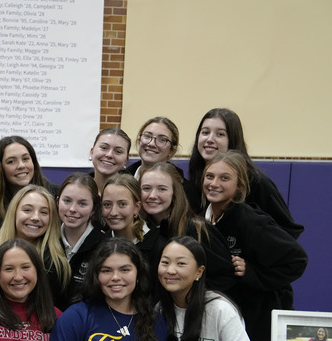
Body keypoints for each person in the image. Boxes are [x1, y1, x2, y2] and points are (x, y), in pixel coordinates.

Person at [201, 151, 308, 341]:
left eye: (224, 178)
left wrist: (253, 273)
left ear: (239, 186)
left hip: (258, 331)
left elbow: (296, 259)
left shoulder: (250, 221)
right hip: (224, 326)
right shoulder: (202, 219)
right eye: (209, 176)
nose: (214, 183)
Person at [43, 238, 181, 341]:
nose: (115, 277)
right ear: (96, 275)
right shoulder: (76, 317)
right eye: (106, 270)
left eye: (125, 270)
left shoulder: (156, 323)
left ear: (138, 274)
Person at [155, 237, 259, 341]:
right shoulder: (160, 310)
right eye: (165, 262)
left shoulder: (219, 309)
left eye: (181, 263)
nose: (170, 270)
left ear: (199, 271)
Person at [187, 108, 304, 238]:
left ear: (233, 139)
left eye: (220, 134)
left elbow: (288, 231)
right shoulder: (196, 177)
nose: (209, 139)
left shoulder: (257, 182)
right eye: (205, 132)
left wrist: (250, 252)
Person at [139, 161, 235, 292]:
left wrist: (190, 298)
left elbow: (224, 277)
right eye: (146, 188)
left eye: (162, 189)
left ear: (175, 192)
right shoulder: (138, 230)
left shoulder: (198, 230)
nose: (152, 195)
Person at [0, 185, 70, 310]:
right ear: (14, 212)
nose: (35, 218)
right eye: (27, 210)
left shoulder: (55, 263)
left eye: (44, 212)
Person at [121, 116, 201, 206]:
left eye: (162, 140)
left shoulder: (187, 192)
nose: (151, 144)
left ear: (172, 151)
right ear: (139, 141)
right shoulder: (120, 179)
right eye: (147, 136)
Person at [101, 173, 166, 274]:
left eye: (122, 204)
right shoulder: (99, 243)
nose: (113, 212)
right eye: (107, 204)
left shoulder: (159, 246)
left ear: (136, 207)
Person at [56, 173, 106, 295]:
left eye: (82, 203)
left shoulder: (104, 246)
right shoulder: (45, 241)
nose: (72, 209)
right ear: (57, 202)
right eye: (67, 201)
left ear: (94, 209)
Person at [0, 135, 58, 205]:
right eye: (11, 161)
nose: (21, 165)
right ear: (0, 167)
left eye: (25, 159)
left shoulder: (56, 196)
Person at [89, 127, 131, 193]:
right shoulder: (78, 190)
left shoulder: (133, 194)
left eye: (118, 151)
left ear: (126, 160)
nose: (109, 155)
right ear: (92, 152)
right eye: (104, 148)